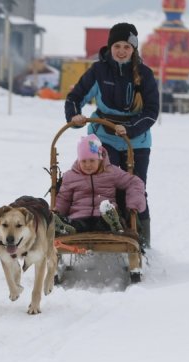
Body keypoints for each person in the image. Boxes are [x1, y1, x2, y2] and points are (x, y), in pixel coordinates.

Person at [64, 22, 158, 247]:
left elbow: (151, 111)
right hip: (103, 138)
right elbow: (74, 97)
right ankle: (101, 229)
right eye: (117, 45)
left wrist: (131, 128)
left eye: (127, 46)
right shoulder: (98, 71)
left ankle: (141, 242)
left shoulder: (144, 75)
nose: (122, 51)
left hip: (136, 140)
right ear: (110, 47)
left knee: (136, 188)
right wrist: (74, 116)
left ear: (133, 49)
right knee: (104, 185)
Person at [54, 134, 147, 235]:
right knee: (76, 225)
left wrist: (134, 202)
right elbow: (64, 199)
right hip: (79, 216)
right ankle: (65, 227)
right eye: (83, 161)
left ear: (100, 159)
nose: (88, 165)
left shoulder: (111, 172)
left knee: (105, 222)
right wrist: (57, 212)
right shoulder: (71, 176)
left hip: (103, 214)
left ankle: (114, 224)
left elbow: (134, 182)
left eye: (92, 160)